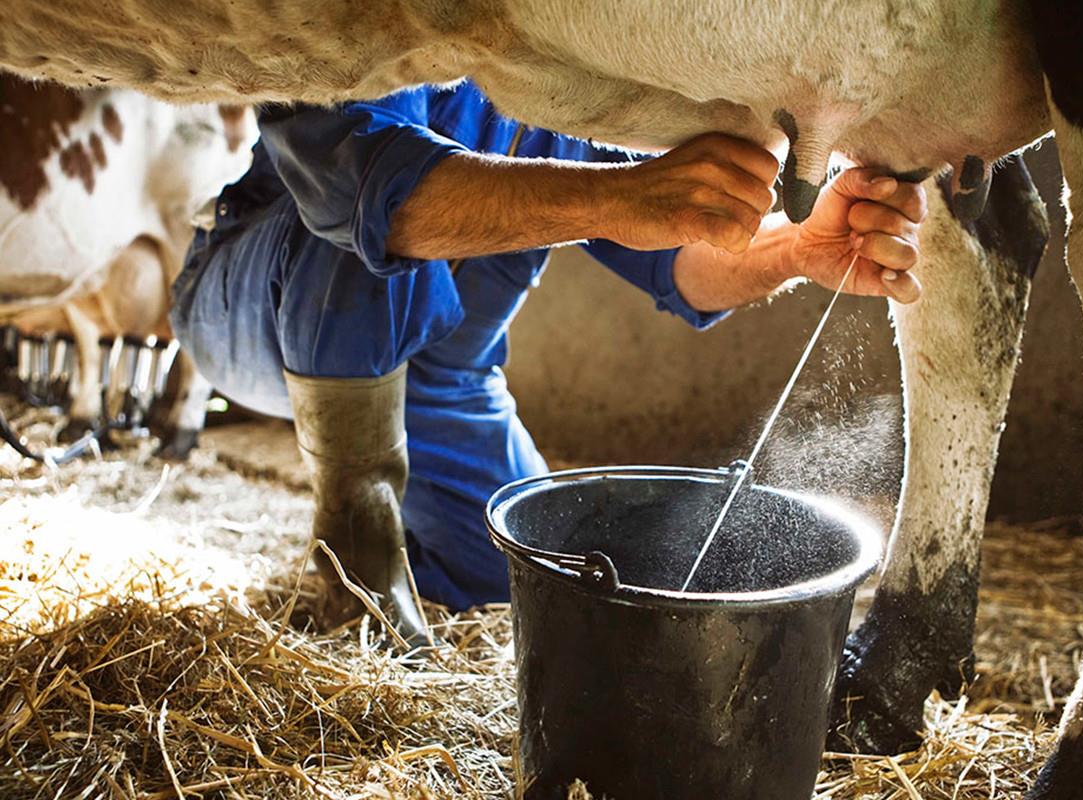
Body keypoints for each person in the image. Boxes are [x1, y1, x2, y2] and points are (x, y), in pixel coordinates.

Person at [170, 80, 926, 643]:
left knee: (527, 575)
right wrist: (620, 198)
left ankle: (408, 553)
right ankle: (355, 562)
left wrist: (797, 247)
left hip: (443, 383)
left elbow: (683, 263)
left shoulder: (567, 80)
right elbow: (368, 191)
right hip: (252, 302)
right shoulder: (383, 32)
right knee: (367, 225)